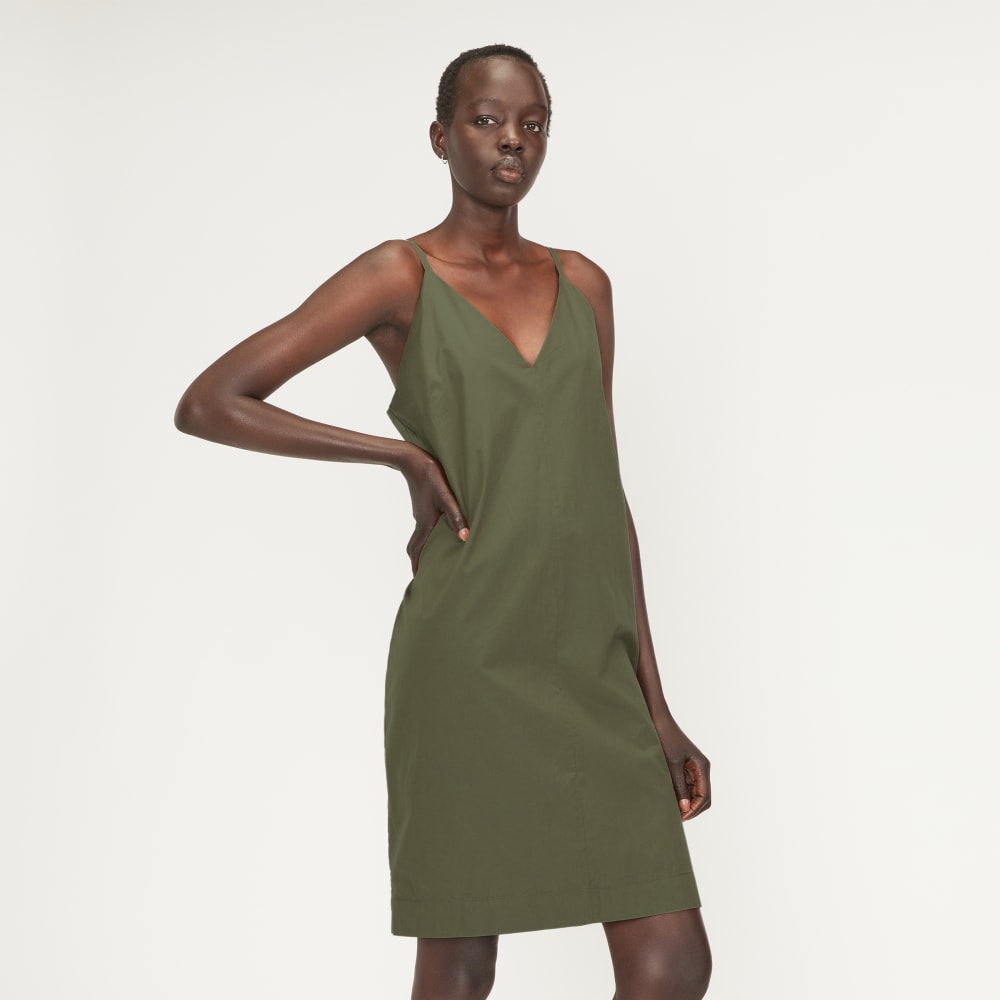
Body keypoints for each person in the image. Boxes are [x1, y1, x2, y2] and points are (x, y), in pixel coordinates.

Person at [175, 42, 713, 1000]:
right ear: (440, 136)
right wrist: (399, 455)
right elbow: (212, 400)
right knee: (461, 966)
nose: (512, 141)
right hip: (468, 662)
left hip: (591, 667)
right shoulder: (401, 275)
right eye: (486, 119)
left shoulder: (586, 285)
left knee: (672, 964)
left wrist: (656, 708)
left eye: (533, 124)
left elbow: (604, 493)